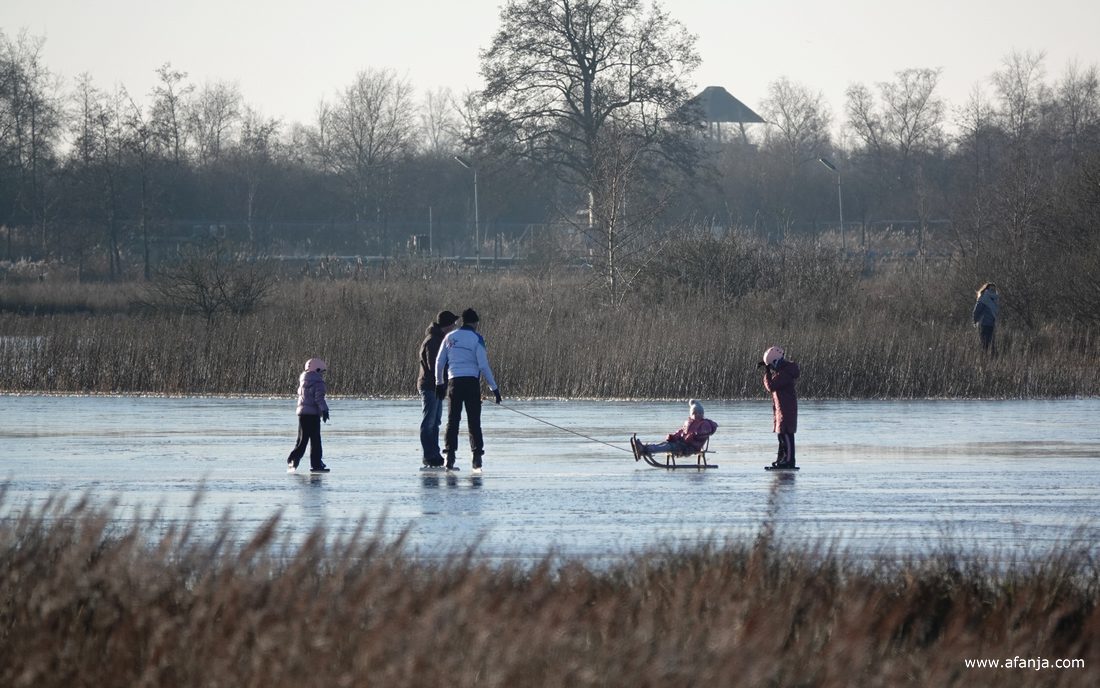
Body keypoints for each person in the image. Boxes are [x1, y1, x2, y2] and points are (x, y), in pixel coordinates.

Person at [434, 308, 501, 471]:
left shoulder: (449, 337)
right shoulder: (477, 338)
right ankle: (477, 458)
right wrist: (494, 388)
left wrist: (439, 383)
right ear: (475, 323)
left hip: (454, 382)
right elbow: (483, 366)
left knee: (453, 421)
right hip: (471, 383)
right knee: (474, 421)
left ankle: (450, 456)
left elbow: (439, 362)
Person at [417, 310, 458, 468]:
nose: (454, 326)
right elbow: (434, 366)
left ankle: (434, 454)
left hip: (437, 386)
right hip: (430, 386)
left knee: (435, 422)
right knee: (429, 422)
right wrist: (443, 381)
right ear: (447, 325)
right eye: (453, 324)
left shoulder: (441, 339)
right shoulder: (433, 341)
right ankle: (429, 455)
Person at [286, 357, 331, 473]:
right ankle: (314, 463)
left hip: (303, 415)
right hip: (312, 416)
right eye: (322, 372)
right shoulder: (318, 382)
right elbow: (319, 398)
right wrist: (325, 410)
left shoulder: (303, 381)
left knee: (302, 439)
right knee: (315, 441)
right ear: (317, 370)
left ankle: (295, 461)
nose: (322, 375)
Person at [632, 399, 717, 459]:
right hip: (682, 443)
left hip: (690, 447)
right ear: (691, 414)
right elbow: (681, 431)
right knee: (665, 443)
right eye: (695, 413)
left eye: (700, 413)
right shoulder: (689, 422)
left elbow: (704, 433)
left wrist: (694, 435)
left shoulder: (704, 424)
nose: (698, 415)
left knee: (668, 446)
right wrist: (674, 436)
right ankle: (645, 447)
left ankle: (645, 449)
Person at [759, 346, 799, 469]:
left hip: (786, 410)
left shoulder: (785, 373)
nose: (771, 369)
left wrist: (767, 372)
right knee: (781, 435)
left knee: (786, 434)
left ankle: (789, 460)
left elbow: (771, 386)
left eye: (771, 366)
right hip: (781, 410)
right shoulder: (782, 372)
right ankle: (782, 459)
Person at [972, 282, 1000, 354]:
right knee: (984, 344)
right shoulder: (983, 299)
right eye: (991, 289)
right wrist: (975, 321)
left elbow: (996, 314)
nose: (993, 291)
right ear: (986, 289)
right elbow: (976, 311)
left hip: (992, 325)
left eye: (994, 289)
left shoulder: (994, 300)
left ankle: (991, 358)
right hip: (983, 324)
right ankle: (983, 357)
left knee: (992, 345)